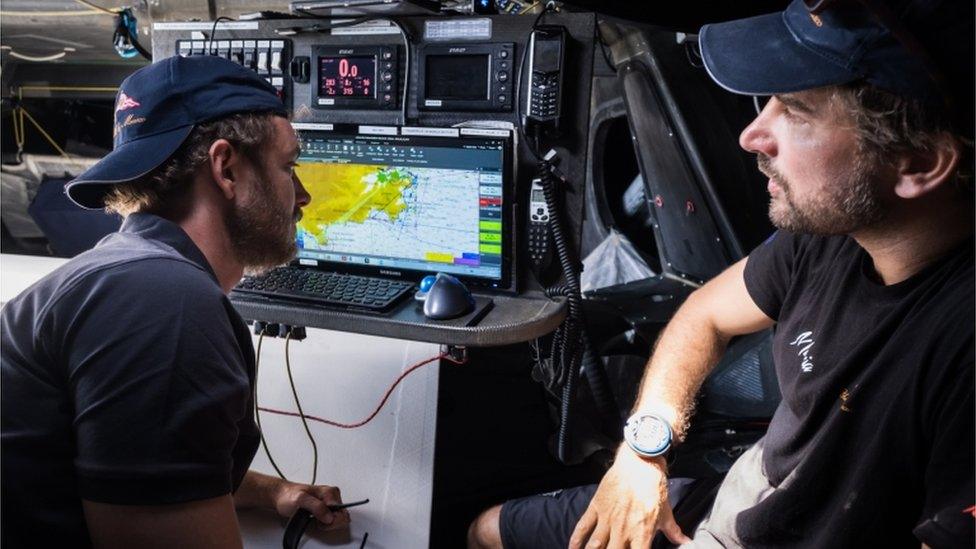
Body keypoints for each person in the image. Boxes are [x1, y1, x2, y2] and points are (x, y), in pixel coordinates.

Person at [469, 0, 974, 547]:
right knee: (483, 530)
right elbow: (704, 315)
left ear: (919, 164)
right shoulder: (826, 239)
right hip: (745, 499)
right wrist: (643, 455)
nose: (752, 135)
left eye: (798, 111)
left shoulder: (960, 344)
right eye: (770, 102)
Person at [0, 55, 348, 548]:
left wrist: (273, 493)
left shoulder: (127, 273)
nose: (303, 195)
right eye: (288, 167)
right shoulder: (164, 303)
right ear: (226, 167)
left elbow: (127, 466)